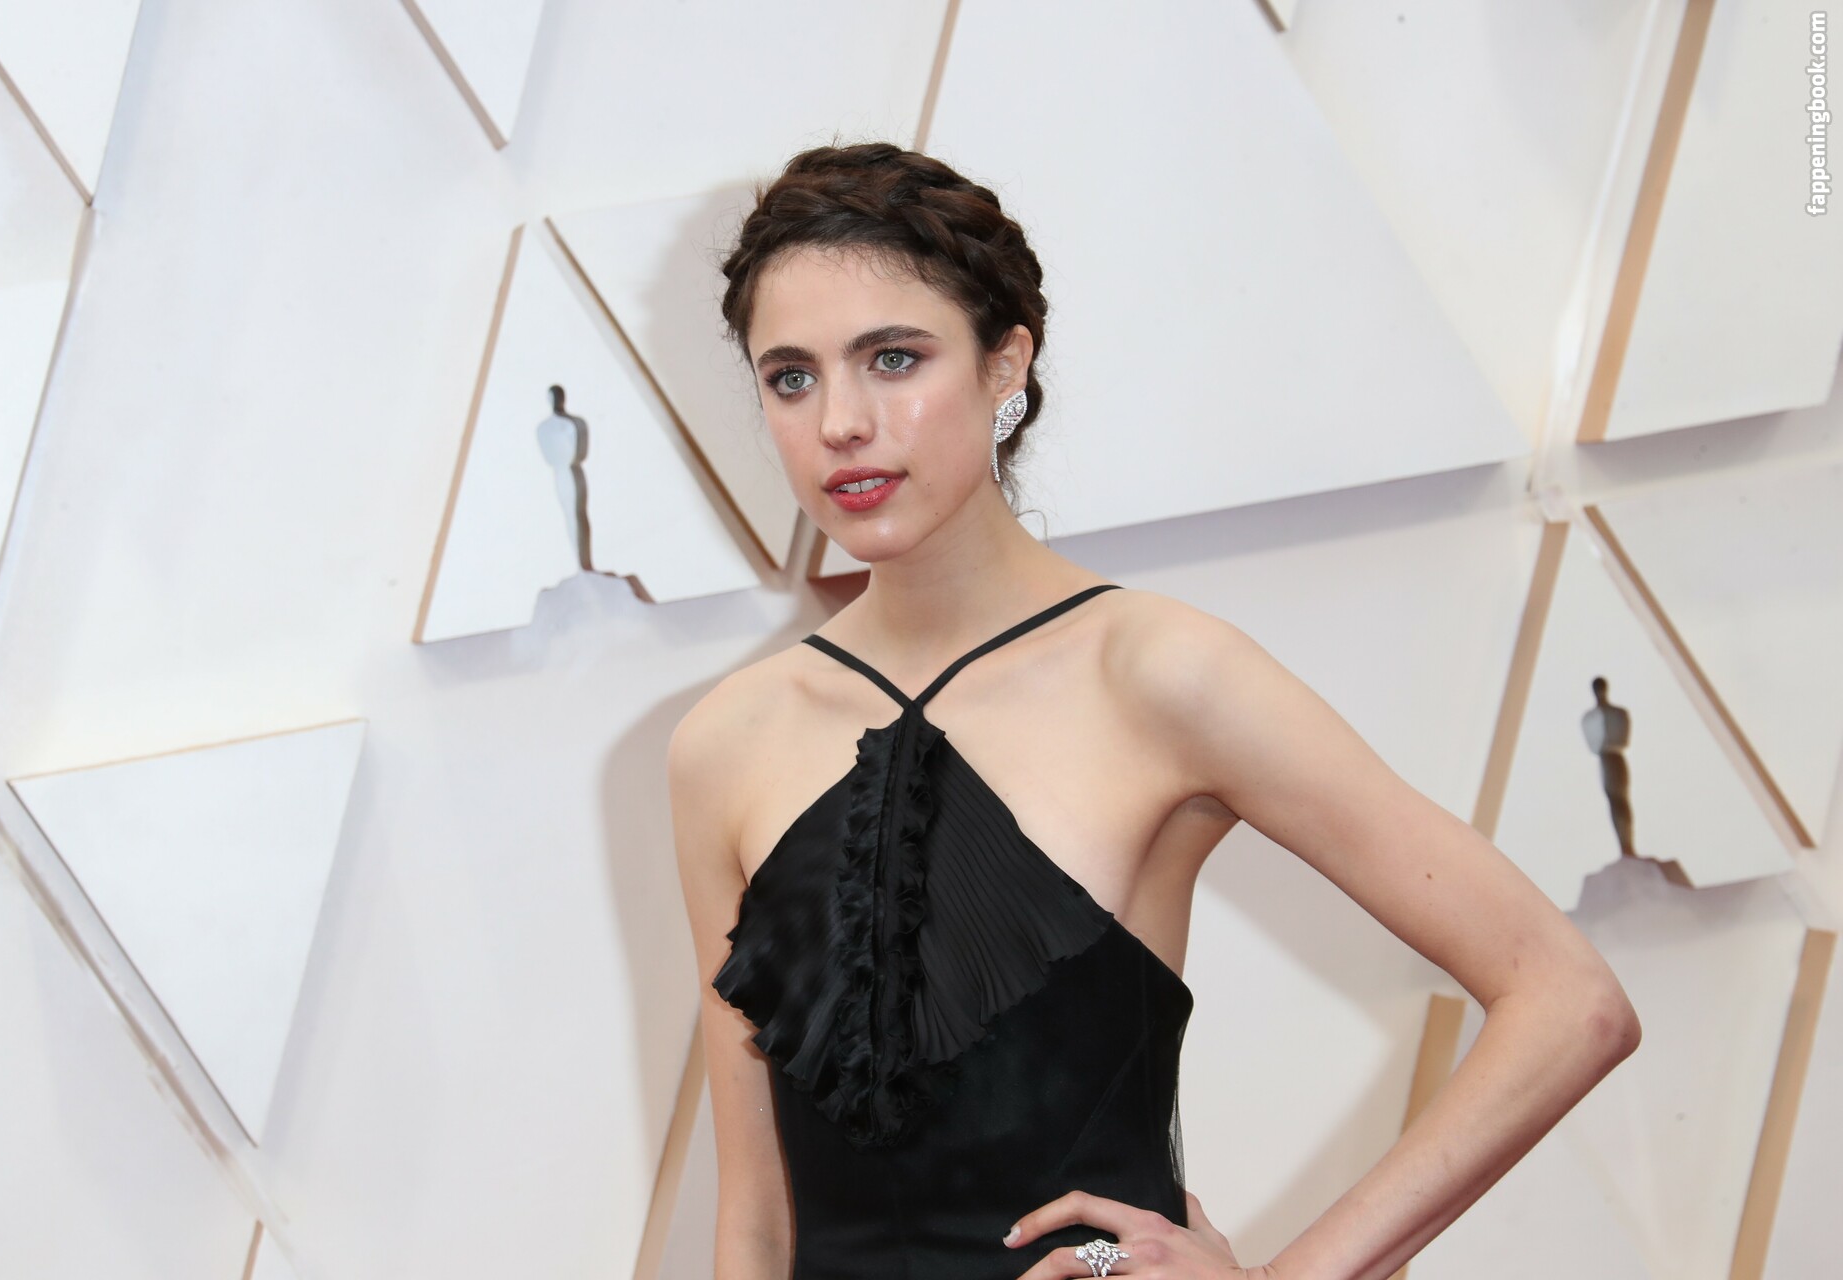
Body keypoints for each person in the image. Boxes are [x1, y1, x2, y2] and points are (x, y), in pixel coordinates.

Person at [667, 141, 1640, 1280]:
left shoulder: (1162, 673)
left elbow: (1567, 1001)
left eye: (893, 358)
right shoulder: (724, 743)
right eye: (791, 376)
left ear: (1004, 363)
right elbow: (755, 1222)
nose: (840, 421)